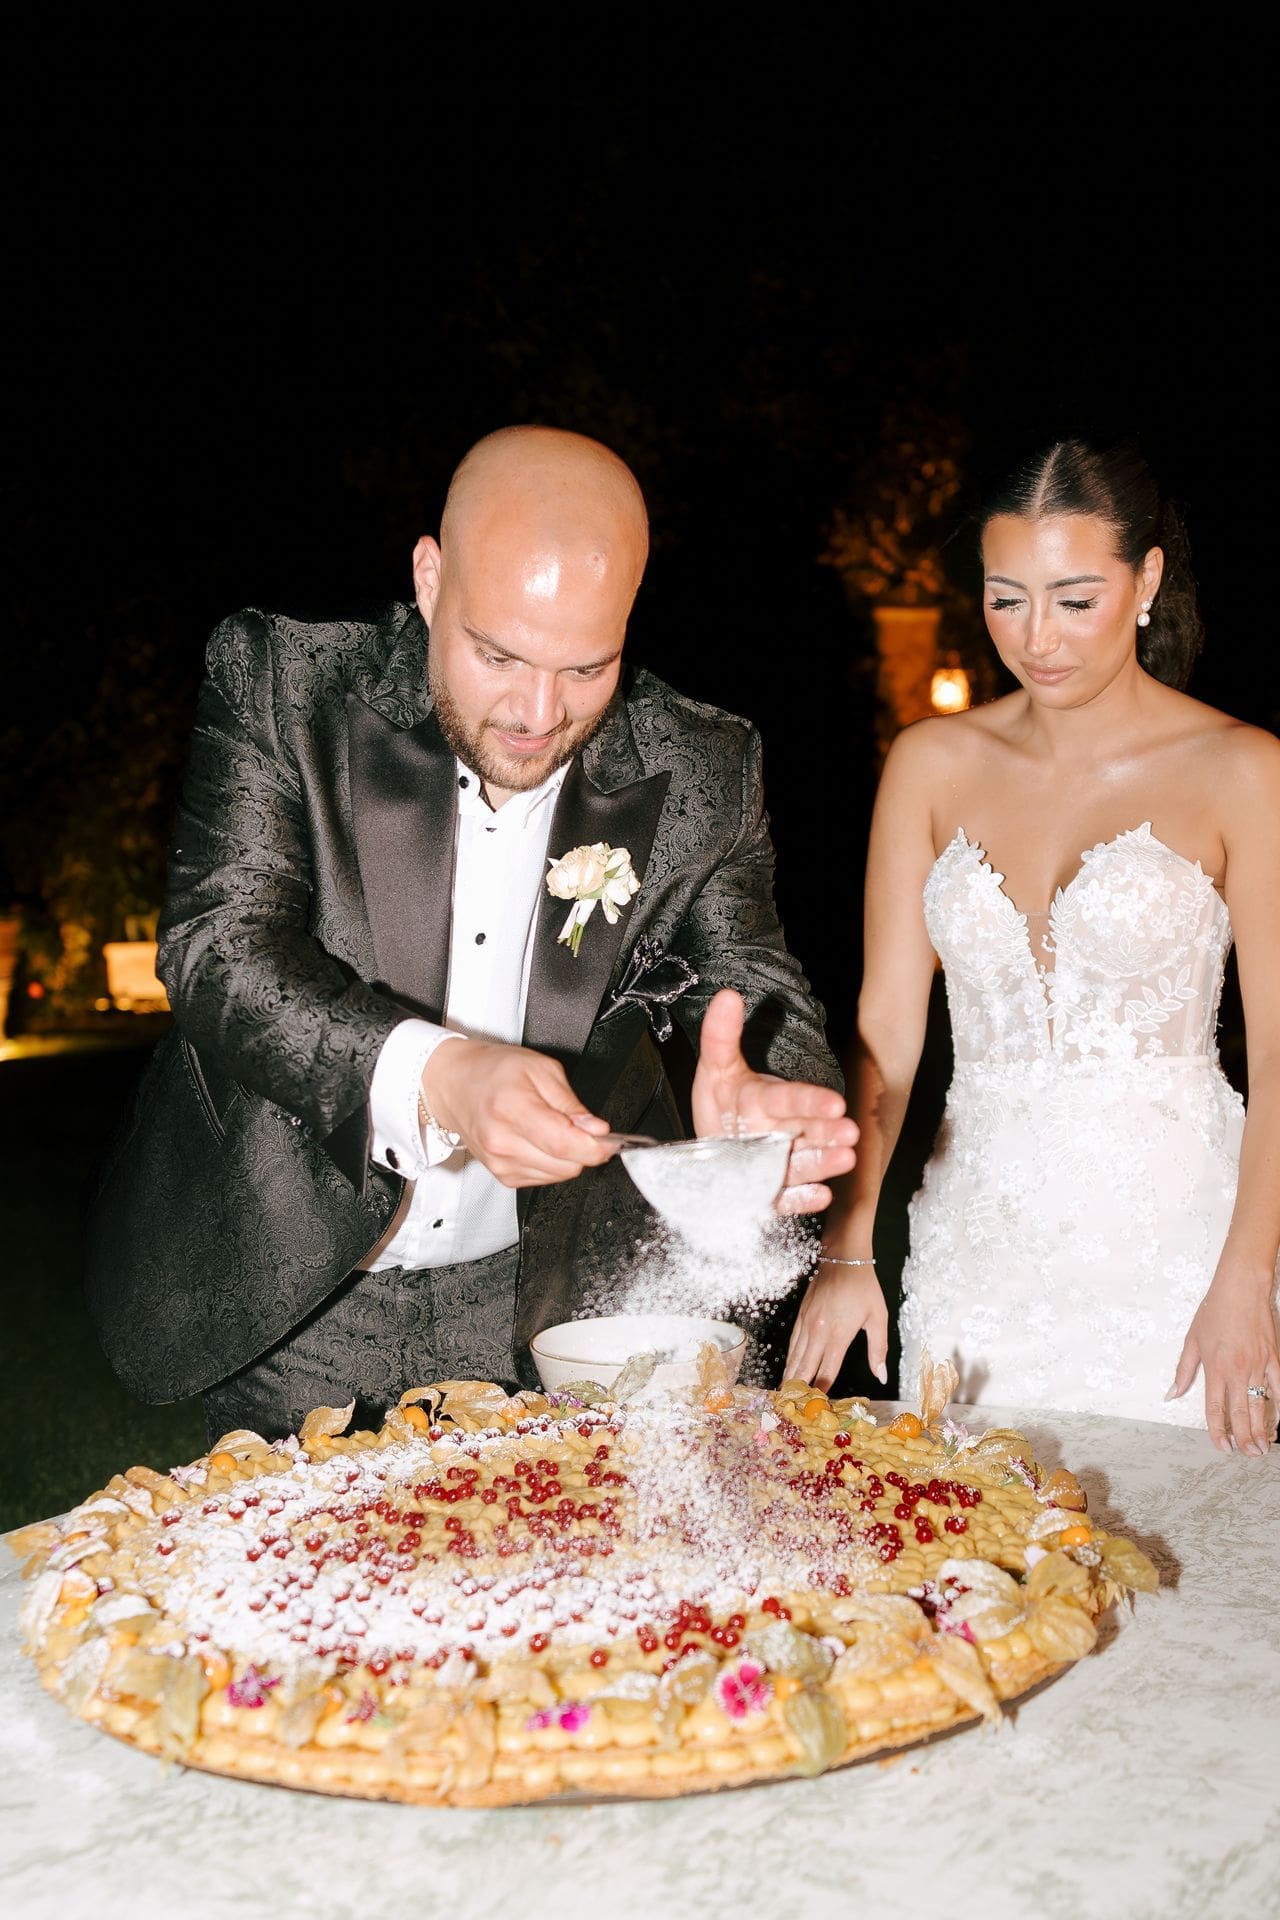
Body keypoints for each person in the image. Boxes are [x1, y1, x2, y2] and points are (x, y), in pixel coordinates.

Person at [84, 424, 856, 1441]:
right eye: (498, 655)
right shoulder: (285, 684)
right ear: (429, 578)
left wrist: (761, 1101)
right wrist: (439, 1077)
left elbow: (754, 987)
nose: (538, 713)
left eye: (587, 668)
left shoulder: (704, 767)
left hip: (538, 1300)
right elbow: (219, 947)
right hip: (298, 1295)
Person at [786, 437, 1280, 1455]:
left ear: (1145, 580)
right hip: (975, 1259)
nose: (1036, 638)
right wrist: (847, 1244)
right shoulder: (928, 762)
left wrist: (1244, 1277)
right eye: (1005, 599)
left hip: (1177, 1258)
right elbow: (884, 1032)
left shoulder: (1241, 770)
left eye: (1073, 599)